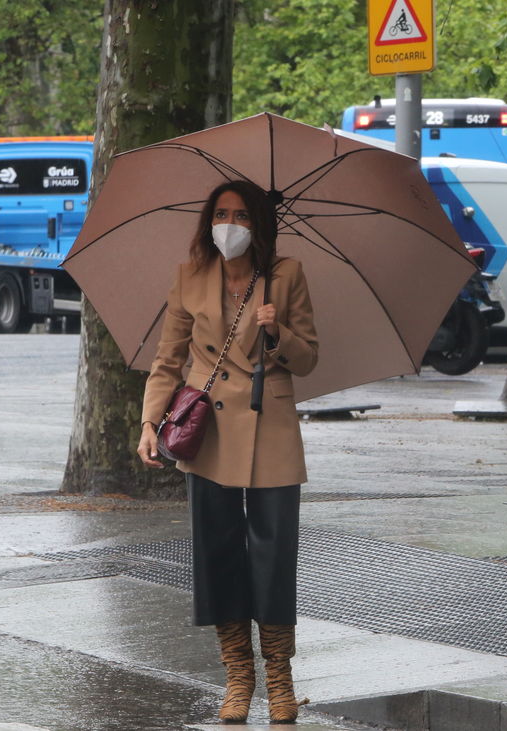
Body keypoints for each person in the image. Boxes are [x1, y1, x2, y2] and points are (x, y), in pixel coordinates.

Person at [136, 180, 318, 725]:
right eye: (221, 214)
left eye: (240, 215)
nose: (229, 224)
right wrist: (149, 422)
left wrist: (277, 331)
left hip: (272, 426)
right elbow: (168, 358)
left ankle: (280, 678)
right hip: (208, 430)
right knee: (217, 553)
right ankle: (238, 677)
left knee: (273, 553)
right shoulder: (190, 274)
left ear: (258, 224)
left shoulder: (286, 275)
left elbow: (308, 358)